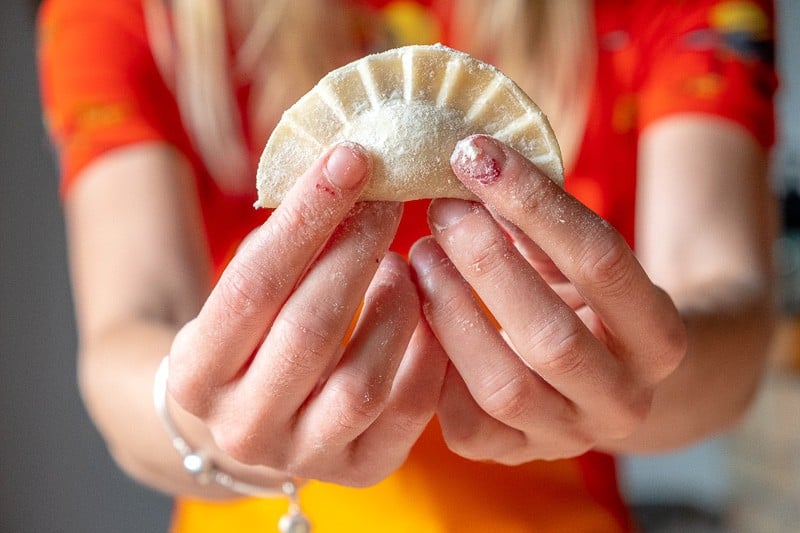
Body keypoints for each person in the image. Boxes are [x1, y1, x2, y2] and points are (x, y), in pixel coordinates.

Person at [37, 0, 778, 531]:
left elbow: (728, 306)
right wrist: (205, 421)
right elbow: (125, 338)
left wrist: (634, 363)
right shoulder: (139, 16)